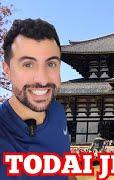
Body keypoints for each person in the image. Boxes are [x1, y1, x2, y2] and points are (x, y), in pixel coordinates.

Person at [0, 18, 75, 180]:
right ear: (7, 70)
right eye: (28, 64)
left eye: (51, 64)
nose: (42, 79)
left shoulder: (57, 111)